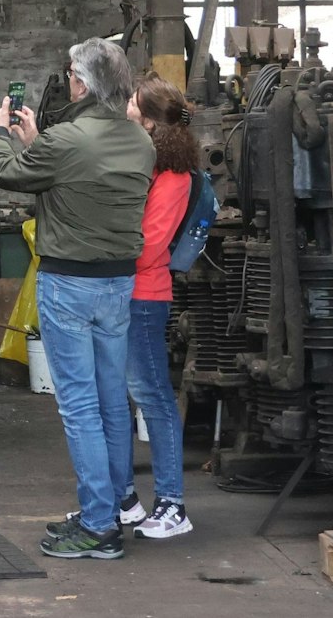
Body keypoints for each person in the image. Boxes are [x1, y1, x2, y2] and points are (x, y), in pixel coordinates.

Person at [0, 38, 153, 560]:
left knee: (79, 406)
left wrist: (0, 132)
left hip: (70, 287)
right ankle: (115, 505)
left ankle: (100, 526)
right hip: (117, 285)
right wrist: (38, 139)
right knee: (110, 401)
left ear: (81, 83)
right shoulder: (140, 143)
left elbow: (7, 173)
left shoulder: (66, 140)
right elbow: (70, 170)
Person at [118, 75, 197, 539]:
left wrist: (103, 245)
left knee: (153, 399)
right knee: (121, 397)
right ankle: (125, 501)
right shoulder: (149, 166)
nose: (125, 106)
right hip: (123, 292)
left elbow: (149, 248)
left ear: (148, 120)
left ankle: (172, 504)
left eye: (132, 102)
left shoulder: (172, 178)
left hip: (144, 297)